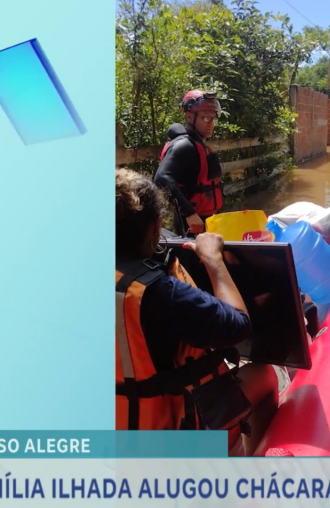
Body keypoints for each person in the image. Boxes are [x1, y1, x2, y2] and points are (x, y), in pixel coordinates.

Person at [116, 168, 278, 453]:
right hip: (163, 438)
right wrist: (213, 260)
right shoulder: (159, 292)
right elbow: (239, 325)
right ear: (156, 227)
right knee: (265, 375)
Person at [153, 90, 225, 235]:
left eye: (213, 117)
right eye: (205, 118)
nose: (210, 123)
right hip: (192, 224)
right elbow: (162, 178)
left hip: (206, 219)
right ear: (189, 116)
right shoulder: (184, 145)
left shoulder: (198, 144)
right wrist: (190, 214)